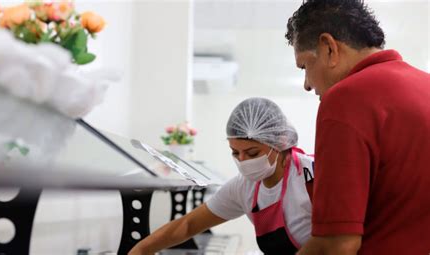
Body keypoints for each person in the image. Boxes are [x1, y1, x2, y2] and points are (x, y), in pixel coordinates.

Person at [285, 1, 430, 254]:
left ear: (329, 47)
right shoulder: (425, 85)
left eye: (305, 66)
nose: (307, 84)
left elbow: (337, 245)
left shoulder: (345, 99)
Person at [128, 97, 315, 255]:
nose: (243, 161)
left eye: (252, 153)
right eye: (235, 153)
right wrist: (140, 251)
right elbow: (187, 225)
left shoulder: (313, 176)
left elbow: (337, 241)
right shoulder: (244, 187)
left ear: (280, 142)